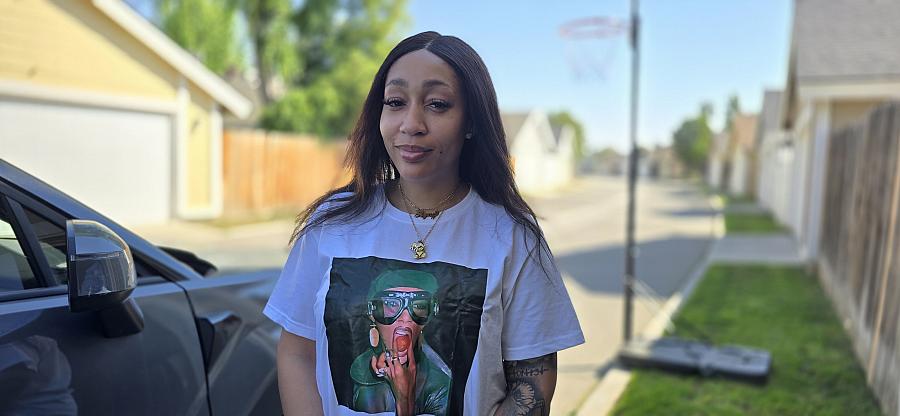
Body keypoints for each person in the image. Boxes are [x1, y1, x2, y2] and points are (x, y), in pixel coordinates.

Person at [265, 31, 584, 415]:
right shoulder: (331, 224)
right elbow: (298, 352)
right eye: (396, 102)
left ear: (471, 122)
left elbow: (531, 381)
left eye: (437, 104)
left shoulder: (513, 238)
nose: (411, 123)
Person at [350, 269, 450, 414]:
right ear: (372, 312)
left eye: (419, 306)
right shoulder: (352, 368)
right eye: (391, 303)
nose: (406, 317)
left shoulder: (439, 389)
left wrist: (404, 400)